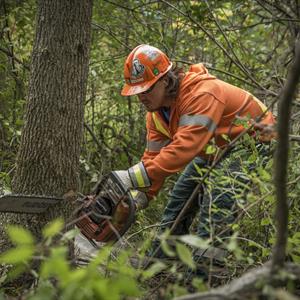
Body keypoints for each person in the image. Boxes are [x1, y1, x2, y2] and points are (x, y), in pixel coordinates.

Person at [113, 44, 275, 260]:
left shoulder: (202, 93)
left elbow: (184, 149)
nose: (141, 96)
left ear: (165, 80)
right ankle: (159, 261)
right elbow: (154, 159)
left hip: (253, 141)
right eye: (137, 91)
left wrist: (129, 177)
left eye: (146, 89)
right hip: (215, 148)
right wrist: (139, 196)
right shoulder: (155, 115)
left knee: (220, 197)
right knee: (179, 198)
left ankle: (206, 272)